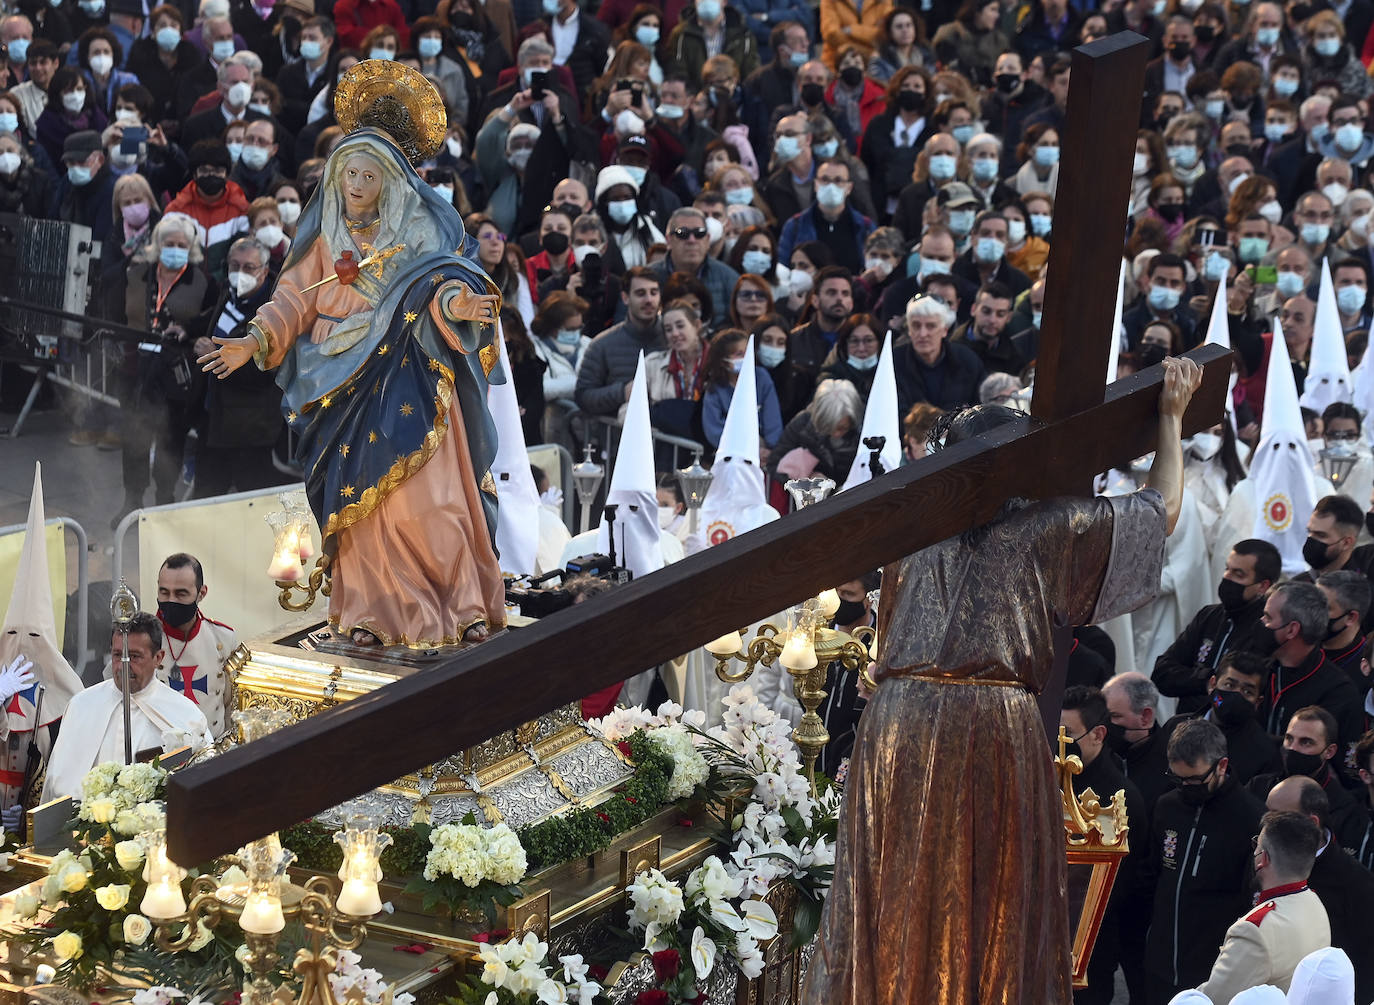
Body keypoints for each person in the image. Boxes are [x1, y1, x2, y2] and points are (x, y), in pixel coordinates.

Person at [805, 357, 1201, 1005]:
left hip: (900, 717)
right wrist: (1170, 418)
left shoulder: (909, 530)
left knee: (900, 882)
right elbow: (1160, 514)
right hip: (989, 721)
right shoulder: (1051, 527)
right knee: (987, 886)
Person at [199, 63, 507, 648]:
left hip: (410, 376)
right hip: (339, 386)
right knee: (361, 513)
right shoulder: (323, 243)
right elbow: (291, 301)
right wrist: (254, 339)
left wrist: (459, 306)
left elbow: (447, 281)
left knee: (433, 503)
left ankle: (462, 600)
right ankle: (369, 613)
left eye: (369, 175)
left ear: (392, 181)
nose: (356, 186)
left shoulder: (418, 238)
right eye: (348, 174)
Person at [1142, 718, 1266, 1004]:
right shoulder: (1167, 807)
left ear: (1221, 766)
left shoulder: (1251, 819)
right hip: (1159, 963)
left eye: (1194, 780)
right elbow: (1151, 874)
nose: (1186, 787)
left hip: (1211, 972)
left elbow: (1250, 897)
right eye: (1177, 778)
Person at [42, 612, 215, 802]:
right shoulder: (81, 705)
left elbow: (203, 783)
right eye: (118, 655)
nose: (123, 665)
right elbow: (57, 784)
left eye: (135, 656)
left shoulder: (185, 715)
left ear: (158, 658)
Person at [1060, 685, 1150, 1005]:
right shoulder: (1045, 779)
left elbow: (1119, 889)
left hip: (1090, 954)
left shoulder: (1120, 801)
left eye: (1069, 734)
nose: (1061, 744)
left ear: (1098, 734)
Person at [1197, 810, 1330, 1003]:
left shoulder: (1254, 930)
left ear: (1263, 859)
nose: (1254, 853)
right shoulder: (1315, 903)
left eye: (1256, 846)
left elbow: (1213, 999)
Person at [1265, 776, 1374, 1004]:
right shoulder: (1262, 855)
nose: (1266, 823)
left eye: (1276, 816)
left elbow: (1364, 963)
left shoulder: (1356, 883)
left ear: (1312, 822)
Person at [192, 236, 285, 498]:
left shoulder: (274, 311)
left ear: (264, 271)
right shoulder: (229, 293)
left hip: (250, 429)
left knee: (251, 502)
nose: (240, 273)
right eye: (235, 266)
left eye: (248, 267)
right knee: (206, 499)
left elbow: (268, 369)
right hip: (215, 420)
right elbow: (215, 327)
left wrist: (218, 356)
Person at [1153, 539, 1280, 716]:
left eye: (1238, 574)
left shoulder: (1266, 631)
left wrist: (1193, 679)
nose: (1227, 577)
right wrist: (1206, 681)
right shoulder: (1209, 616)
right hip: (1185, 724)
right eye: (1227, 569)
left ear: (1262, 586)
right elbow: (1162, 673)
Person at [1257, 583, 1365, 755]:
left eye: (1268, 617)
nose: (1261, 623)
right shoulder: (1259, 668)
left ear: (1292, 629)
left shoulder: (1338, 693)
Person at [1248, 706, 1366, 848]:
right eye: (1289, 739)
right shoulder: (1259, 786)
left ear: (1329, 751)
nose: (1293, 748)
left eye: (1306, 742)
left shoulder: (1343, 808)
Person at [575, 266, 665, 417]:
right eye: (640, 293)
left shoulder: (674, 337)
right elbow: (583, 396)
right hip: (618, 435)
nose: (649, 300)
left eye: (653, 293)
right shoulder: (602, 345)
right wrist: (622, 392)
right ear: (625, 298)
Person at [892, 293, 987, 412]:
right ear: (909, 330)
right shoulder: (893, 362)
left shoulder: (968, 361)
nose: (923, 334)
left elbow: (981, 409)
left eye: (931, 326)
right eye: (916, 326)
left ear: (944, 330)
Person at [767, 377, 863, 488]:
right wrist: (807, 480)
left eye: (842, 428)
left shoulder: (863, 431)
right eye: (828, 427)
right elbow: (773, 466)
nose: (836, 434)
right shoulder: (802, 425)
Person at [700, 328, 782, 451]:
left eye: (748, 352)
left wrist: (770, 448)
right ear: (724, 361)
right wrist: (746, 448)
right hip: (731, 452)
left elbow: (773, 420)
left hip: (765, 450)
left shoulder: (762, 377)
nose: (746, 357)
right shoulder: (715, 389)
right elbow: (714, 430)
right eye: (739, 354)